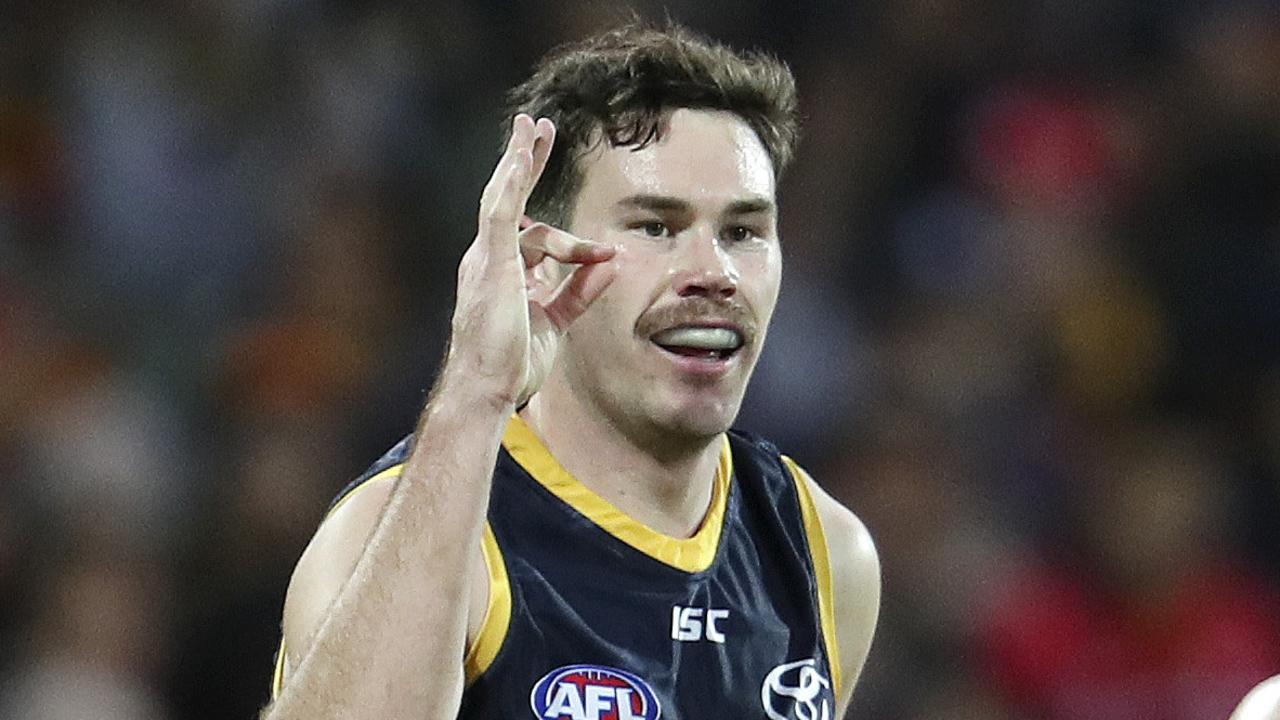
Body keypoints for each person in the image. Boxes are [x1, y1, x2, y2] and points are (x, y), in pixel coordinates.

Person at [262, 23, 880, 720]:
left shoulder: (822, 552)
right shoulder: (402, 532)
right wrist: (475, 392)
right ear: (544, 259)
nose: (714, 274)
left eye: (742, 232)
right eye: (655, 227)